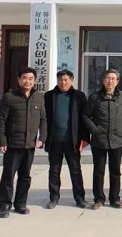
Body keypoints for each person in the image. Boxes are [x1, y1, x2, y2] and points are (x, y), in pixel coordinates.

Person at [0, 67, 47, 218]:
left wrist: (42, 138)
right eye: (24, 78)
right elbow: (1, 120)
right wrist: (2, 140)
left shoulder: (39, 97)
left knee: (25, 176)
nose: (27, 81)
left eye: (31, 78)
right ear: (18, 80)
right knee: (8, 176)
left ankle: (20, 204)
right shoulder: (9, 97)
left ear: (34, 81)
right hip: (13, 144)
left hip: (30, 144)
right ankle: (4, 204)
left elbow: (43, 119)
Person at [82, 69, 122, 209]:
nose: (110, 81)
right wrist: (94, 130)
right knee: (98, 171)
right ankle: (99, 199)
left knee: (115, 171)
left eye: (113, 78)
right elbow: (85, 115)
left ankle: (115, 198)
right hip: (99, 140)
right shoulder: (95, 97)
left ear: (117, 81)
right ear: (103, 80)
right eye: (108, 78)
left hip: (117, 139)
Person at [44, 69, 90, 209]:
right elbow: (43, 119)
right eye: (60, 80)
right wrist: (42, 137)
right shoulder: (49, 96)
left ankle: (80, 198)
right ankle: (54, 198)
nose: (63, 82)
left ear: (71, 80)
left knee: (75, 170)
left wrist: (85, 138)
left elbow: (84, 118)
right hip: (54, 140)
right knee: (54, 170)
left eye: (66, 80)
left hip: (73, 141)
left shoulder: (79, 96)